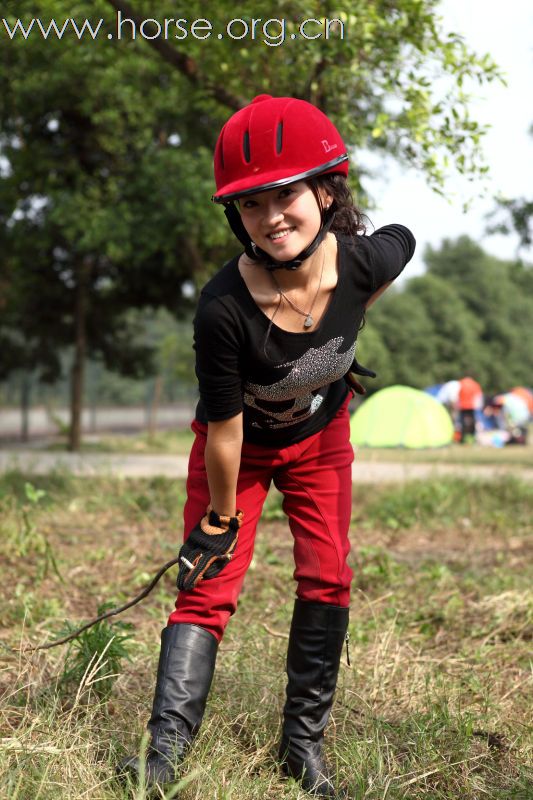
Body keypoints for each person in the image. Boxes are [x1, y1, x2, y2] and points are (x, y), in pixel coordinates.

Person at [119, 94, 415, 798]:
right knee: (206, 587)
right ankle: (163, 755)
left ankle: (301, 751)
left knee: (327, 575)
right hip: (237, 452)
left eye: (285, 195)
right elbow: (224, 428)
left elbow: (402, 237)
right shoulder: (222, 308)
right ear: (235, 215)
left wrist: (348, 309)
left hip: (319, 442)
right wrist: (219, 518)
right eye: (250, 204)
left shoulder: (364, 263)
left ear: (324, 191)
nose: (271, 216)